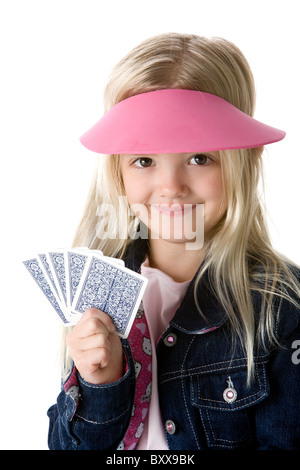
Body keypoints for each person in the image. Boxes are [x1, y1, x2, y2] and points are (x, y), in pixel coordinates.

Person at [47, 33, 300, 450]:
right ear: (119, 172)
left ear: (246, 159)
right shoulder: (95, 294)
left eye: (199, 158)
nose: (170, 187)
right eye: (144, 160)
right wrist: (98, 385)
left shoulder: (282, 308)